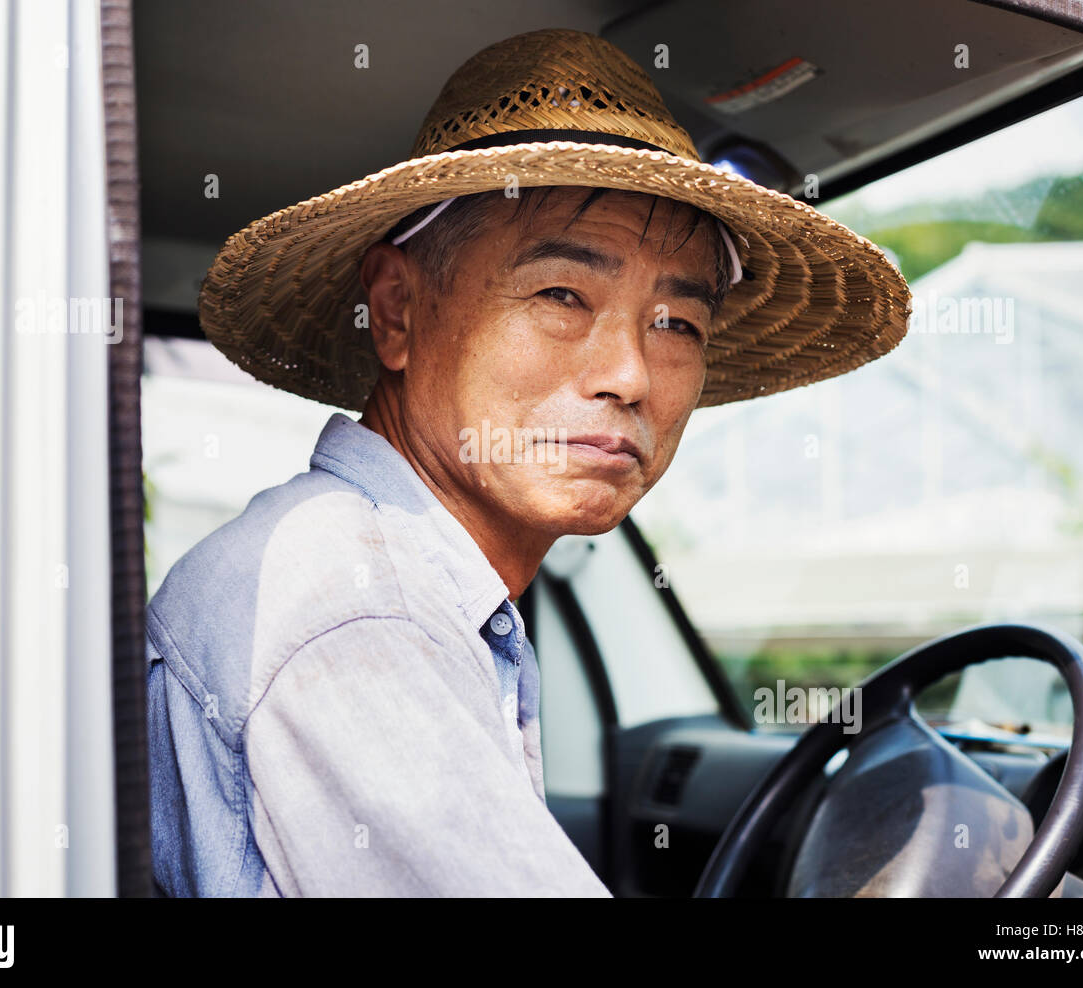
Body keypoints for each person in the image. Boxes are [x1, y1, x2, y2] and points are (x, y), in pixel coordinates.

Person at [146, 27, 911, 896]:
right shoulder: (355, 605)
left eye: (677, 324)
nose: (628, 375)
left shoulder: (391, 579)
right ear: (396, 310)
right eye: (559, 295)